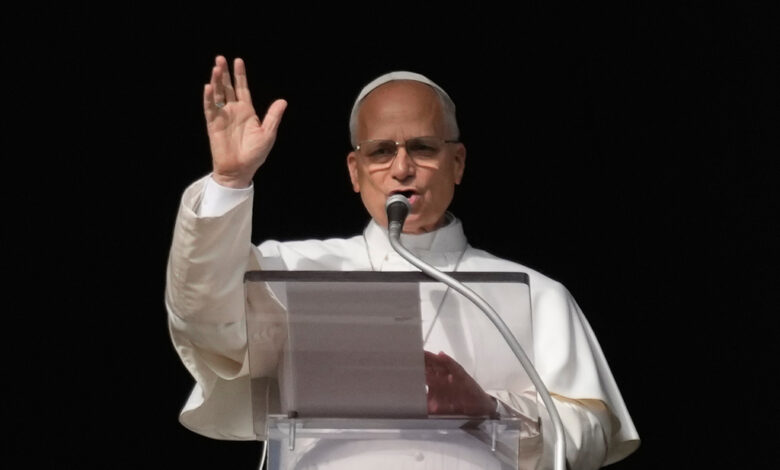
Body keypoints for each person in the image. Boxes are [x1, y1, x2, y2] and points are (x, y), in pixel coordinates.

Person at [165, 55, 640, 469]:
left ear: (458, 162)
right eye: (380, 152)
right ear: (355, 172)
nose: (401, 168)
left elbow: (590, 435)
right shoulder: (293, 269)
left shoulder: (537, 292)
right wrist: (230, 182)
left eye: (422, 147)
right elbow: (205, 321)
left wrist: (490, 409)